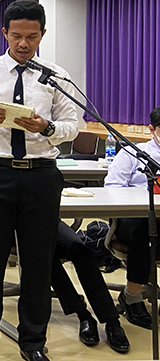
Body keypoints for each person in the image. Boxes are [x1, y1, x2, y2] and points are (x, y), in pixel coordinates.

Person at [0, 0, 79, 361]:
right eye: (16, 36)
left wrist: (48, 127)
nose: (24, 44)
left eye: (32, 36)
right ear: (4, 34)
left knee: (38, 262)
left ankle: (33, 343)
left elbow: (74, 126)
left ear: (42, 34)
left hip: (40, 176)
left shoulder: (56, 75)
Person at [103, 106, 160, 329]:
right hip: (132, 220)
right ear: (151, 129)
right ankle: (132, 296)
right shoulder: (132, 153)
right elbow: (112, 187)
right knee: (144, 228)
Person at [51, 221, 129, 352]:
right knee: (44, 255)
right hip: (17, 226)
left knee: (77, 246)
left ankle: (111, 320)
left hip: (47, 217)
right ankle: (83, 315)